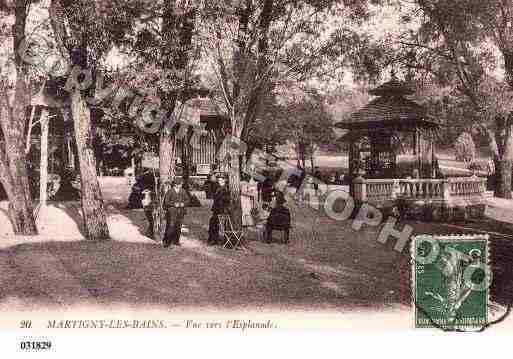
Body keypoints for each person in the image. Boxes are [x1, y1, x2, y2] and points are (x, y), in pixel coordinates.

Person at [163, 178, 189, 247]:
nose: (181, 185)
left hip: (181, 212)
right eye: (180, 184)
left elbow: (187, 200)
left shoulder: (183, 191)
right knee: (171, 226)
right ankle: (167, 242)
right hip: (172, 212)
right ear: (175, 185)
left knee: (178, 226)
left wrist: (183, 204)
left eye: (181, 184)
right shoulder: (170, 191)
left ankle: (176, 241)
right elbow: (166, 202)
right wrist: (174, 204)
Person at [207, 175, 231, 245]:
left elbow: (228, 199)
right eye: (218, 180)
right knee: (213, 222)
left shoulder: (226, 188)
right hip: (216, 208)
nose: (219, 181)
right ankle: (213, 238)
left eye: (220, 180)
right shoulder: (217, 187)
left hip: (223, 209)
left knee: (217, 223)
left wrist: (222, 198)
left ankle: (215, 239)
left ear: (224, 180)